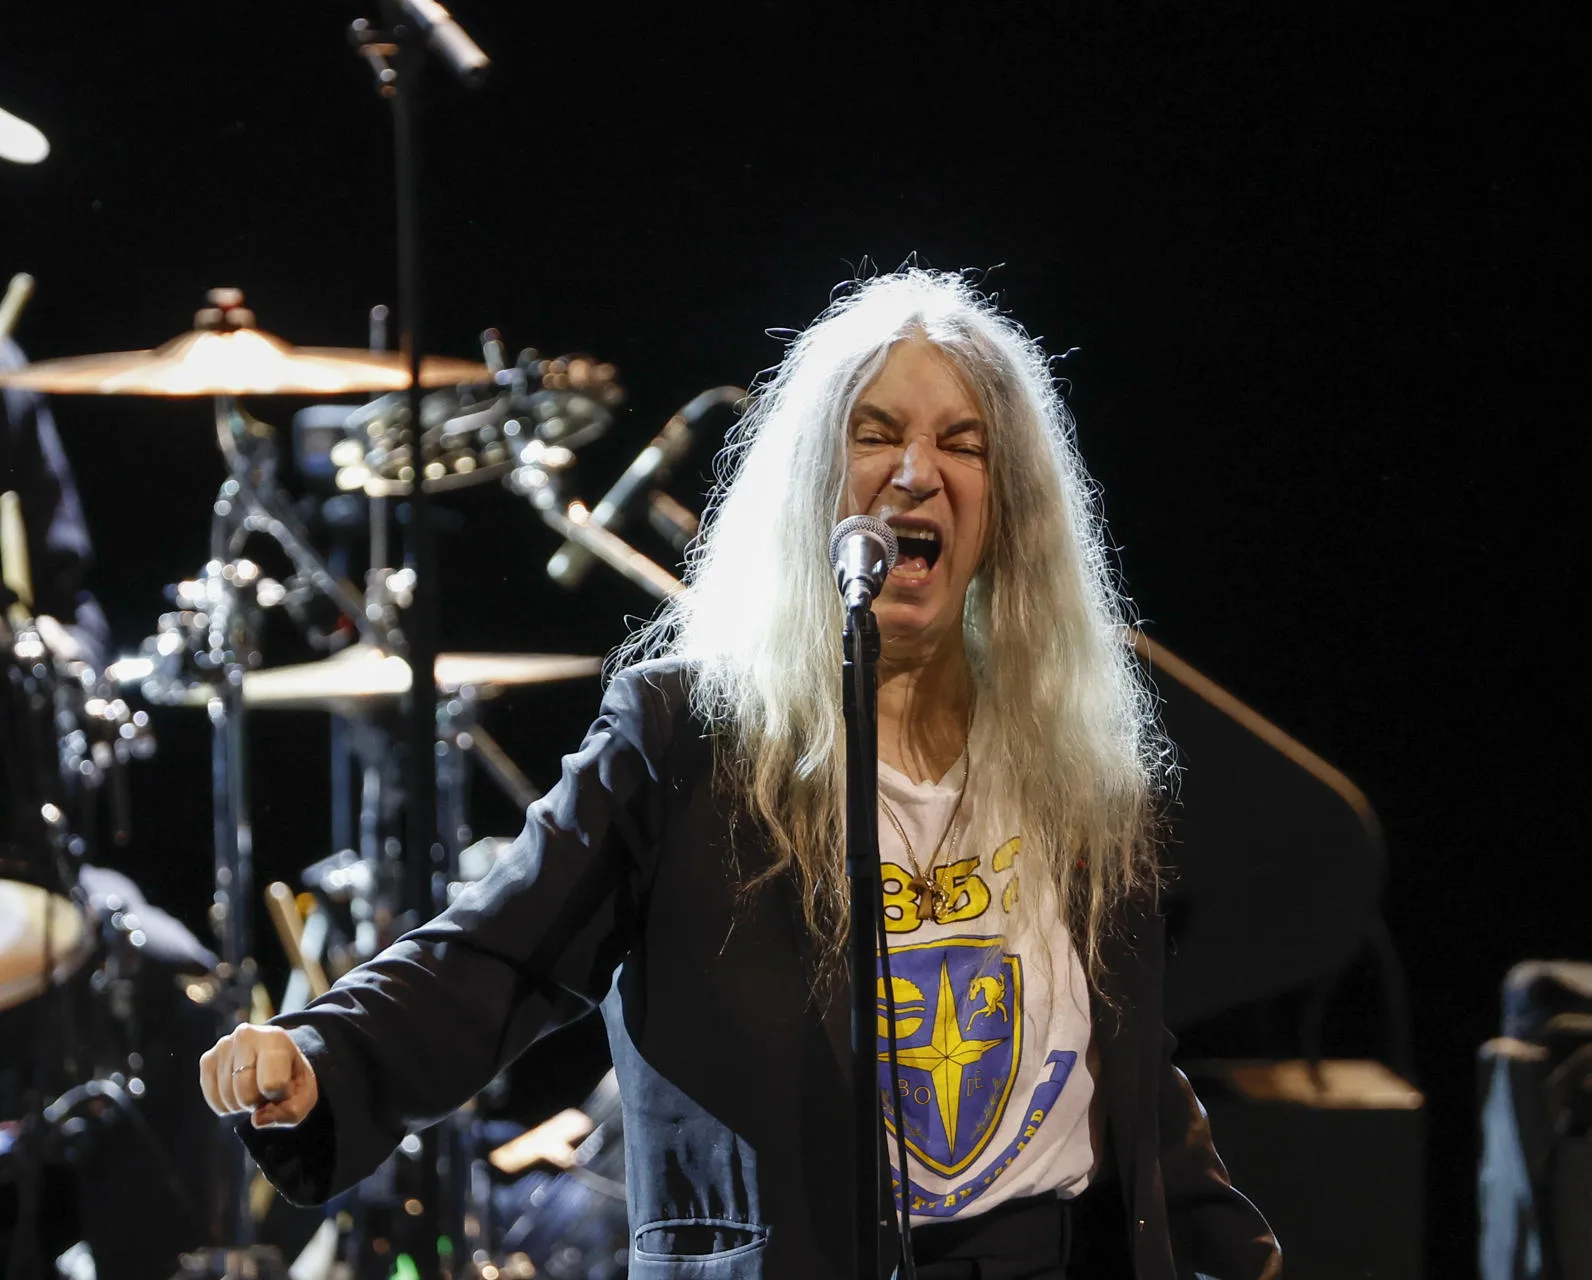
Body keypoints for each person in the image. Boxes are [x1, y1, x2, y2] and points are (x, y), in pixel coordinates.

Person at [199, 269, 1283, 1280]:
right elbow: (498, 949)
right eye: (877, 433)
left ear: (1010, 510)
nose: (919, 470)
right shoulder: (687, 737)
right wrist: (320, 1051)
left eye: (966, 442)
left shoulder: (1067, 753)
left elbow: (1120, 1061)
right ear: (813, 479)